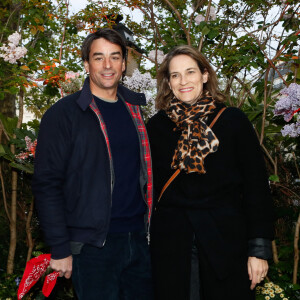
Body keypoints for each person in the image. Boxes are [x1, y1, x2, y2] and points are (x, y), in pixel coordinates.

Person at [32, 28, 153, 300]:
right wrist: (60, 248)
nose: (107, 65)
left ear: (124, 64)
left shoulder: (135, 110)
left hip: (139, 239)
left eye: (115, 57)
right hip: (92, 247)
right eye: (99, 58)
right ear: (87, 64)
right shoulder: (63, 115)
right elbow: (47, 184)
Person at [146, 45, 274, 300]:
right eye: (175, 75)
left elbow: (256, 187)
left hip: (225, 242)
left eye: (190, 72)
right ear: (168, 83)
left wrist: (258, 250)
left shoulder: (233, 121)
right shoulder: (157, 127)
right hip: (172, 245)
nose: (183, 81)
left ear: (205, 75)